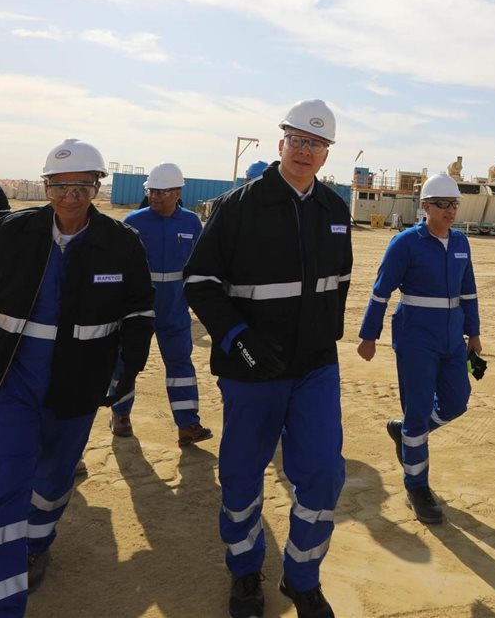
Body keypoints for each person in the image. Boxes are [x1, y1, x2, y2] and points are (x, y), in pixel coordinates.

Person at [0, 139, 155, 616]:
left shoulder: (121, 243)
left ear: (98, 187)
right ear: (45, 186)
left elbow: (140, 312)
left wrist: (127, 370)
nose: (70, 197)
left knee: (56, 473)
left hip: (78, 382)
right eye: (60, 186)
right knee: (1, 488)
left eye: (82, 186)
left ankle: (37, 541)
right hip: (11, 380)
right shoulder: (12, 232)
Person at [184, 99, 352, 618]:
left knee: (323, 473)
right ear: (281, 143)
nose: (305, 151)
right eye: (297, 140)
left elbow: (340, 283)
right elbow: (200, 282)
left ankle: (302, 578)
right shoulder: (239, 206)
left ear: (326, 154)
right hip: (251, 370)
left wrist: (323, 338)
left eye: (316, 144)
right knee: (241, 476)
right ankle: (244, 571)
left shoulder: (334, 211)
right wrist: (238, 338)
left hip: (315, 369)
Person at [356, 172, 481, 524]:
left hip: (452, 338)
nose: (449, 211)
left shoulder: (461, 243)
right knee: (418, 409)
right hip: (416, 338)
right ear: (425, 206)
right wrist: (369, 335)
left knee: (456, 401)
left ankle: (406, 432)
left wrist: (473, 333)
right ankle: (417, 486)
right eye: (442, 204)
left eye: (454, 204)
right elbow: (381, 292)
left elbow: (469, 291)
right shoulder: (405, 244)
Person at [108, 162, 212, 446]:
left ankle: (187, 424)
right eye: (151, 191)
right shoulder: (134, 221)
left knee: (180, 365)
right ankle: (120, 414)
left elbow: (199, 264)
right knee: (127, 362)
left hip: (174, 310)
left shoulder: (191, 223)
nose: (154, 196)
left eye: (161, 192)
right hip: (138, 309)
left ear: (177, 192)